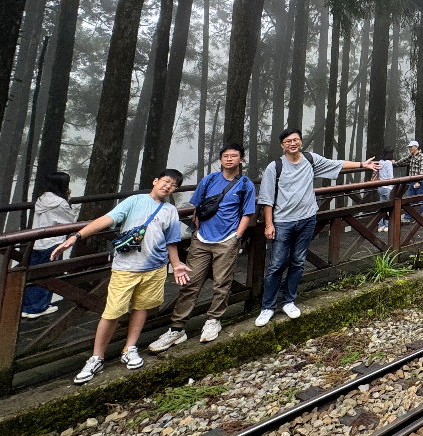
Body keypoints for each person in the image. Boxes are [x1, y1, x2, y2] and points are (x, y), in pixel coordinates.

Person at [53, 169, 191, 384]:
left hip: (155, 267)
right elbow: (107, 219)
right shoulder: (135, 201)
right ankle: (96, 357)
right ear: (155, 180)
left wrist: (177, 264)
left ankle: (130, 348)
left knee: (142, 307)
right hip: (126, 267)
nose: (168, 187)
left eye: (173, 185)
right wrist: (77, 236)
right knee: (112, 312)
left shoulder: (171, 210)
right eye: (165, 181)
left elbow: (171, 241)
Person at [256, 128, 378, 326]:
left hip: (307, 219)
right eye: (288, 141)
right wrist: (269, 224)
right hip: (283, 222)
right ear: (282, 145)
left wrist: (363, 164)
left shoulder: (310, 160)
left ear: (301, 142)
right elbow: (266, 198)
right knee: (276, 265)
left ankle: (289, 301)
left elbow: (337, 164)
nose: (293, 143)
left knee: (298, 261)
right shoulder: (275, 167)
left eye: (296, 140)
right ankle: (267, 307)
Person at [149, 144, 257, 351]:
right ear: (220, 159)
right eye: (225, 156)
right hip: (202, 239)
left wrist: (237, 236)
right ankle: (177, 328)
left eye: (234, 156)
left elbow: (247, 213)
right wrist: (197, 231)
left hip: (227, 240)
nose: (229, 159)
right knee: (190, 283)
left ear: (241, 160)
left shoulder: (245, 184)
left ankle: (213, 319)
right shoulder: (208, 180)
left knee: (221, 283)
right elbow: (197, 207)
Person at [23, 172, 77, 318]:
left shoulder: (42, 199)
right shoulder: (60, 203)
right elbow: (70, 221)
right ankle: (38, 307)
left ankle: (28, 307)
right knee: (49, 275)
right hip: (53, 243)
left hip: (37, 242)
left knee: (35, 274)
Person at [397, 140, 423, 224]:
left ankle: (422, 217)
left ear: (416, 147)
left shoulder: (422, 157)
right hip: (411, 181)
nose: (410, 148)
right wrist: (393, 163)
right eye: (409, 147)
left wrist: (419, 182)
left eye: (411, 147)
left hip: (419, 182)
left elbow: (422, 171)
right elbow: (402, 161)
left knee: (421, 199)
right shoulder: (411, 156)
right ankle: (408, 217)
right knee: (408, 199)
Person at [375, 148, 396, 232]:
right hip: (388, 188)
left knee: (382, 207)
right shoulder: (388, 163)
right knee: (389, 207)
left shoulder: (380, 162)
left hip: (380, 187)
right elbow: (390, 177)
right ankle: (387, 225)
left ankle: (380, 225)